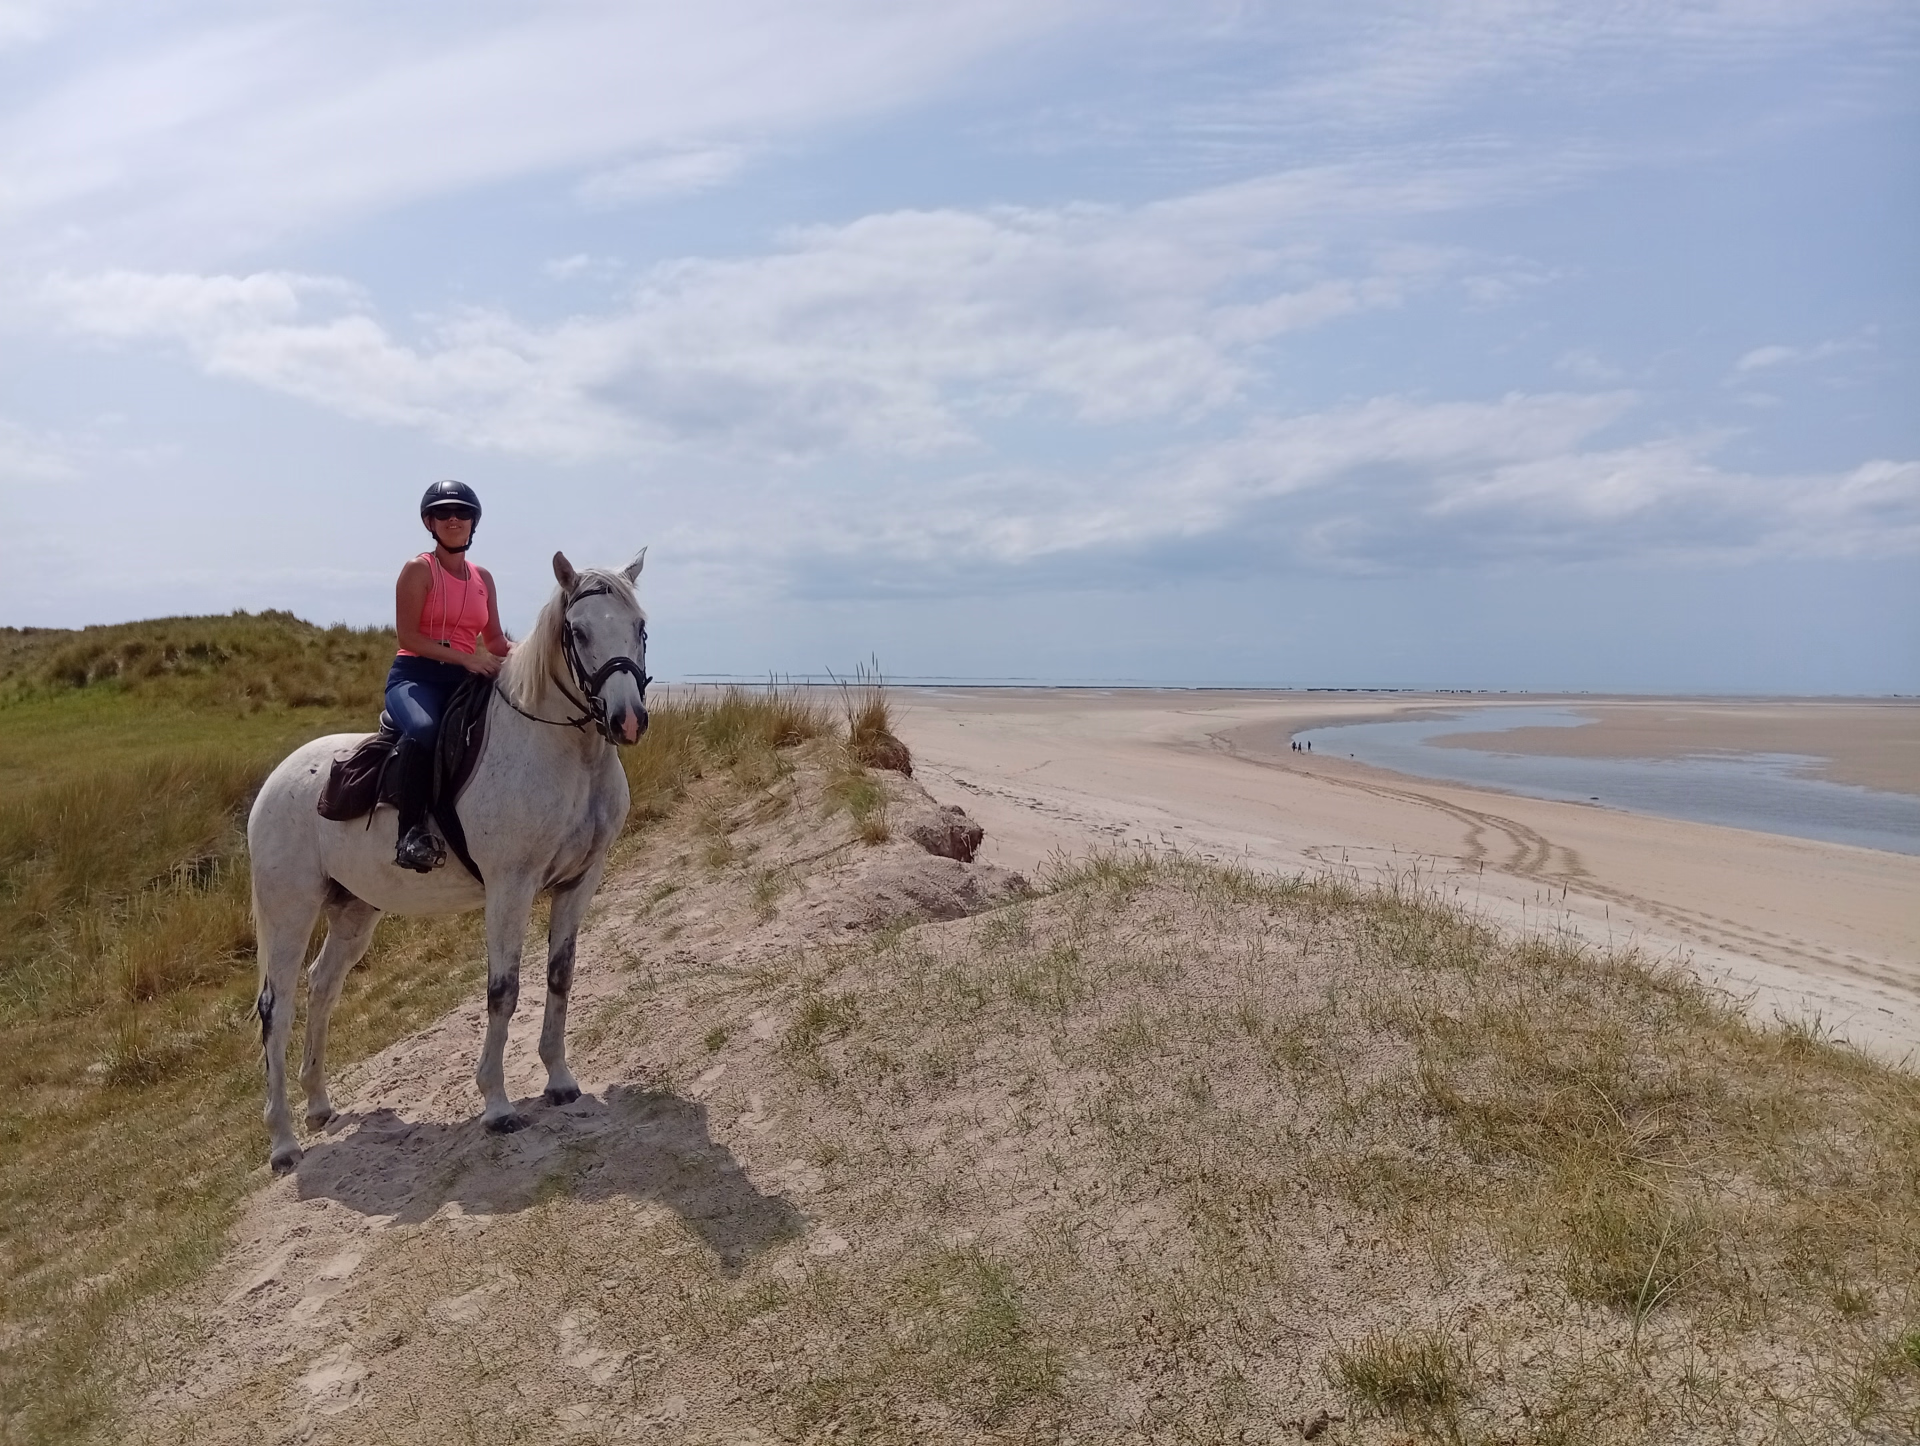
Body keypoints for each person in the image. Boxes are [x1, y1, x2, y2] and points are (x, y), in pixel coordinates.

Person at [385, 480, 512, 872]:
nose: (453, 519)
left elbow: (495, 640)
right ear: (430, 522)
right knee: (425, 729)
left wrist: (536, 654)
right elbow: (408, 637)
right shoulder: (419, 570)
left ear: (474, 522)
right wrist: (466, 659)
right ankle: (410, 834)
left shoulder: (483, 578)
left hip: (463, 679)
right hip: (416, 676)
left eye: (462, 513)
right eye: (442, 513)